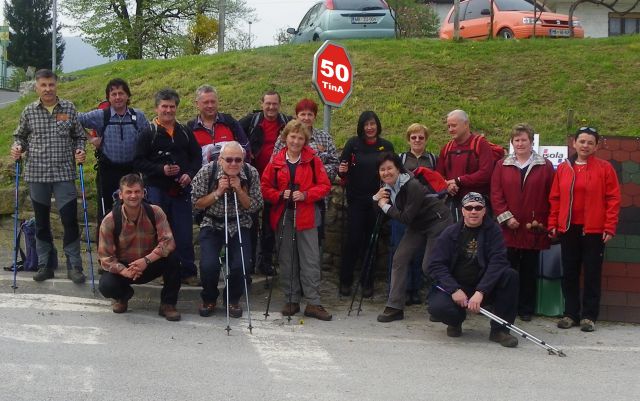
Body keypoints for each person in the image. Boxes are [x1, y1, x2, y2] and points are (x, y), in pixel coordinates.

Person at [10, 69, 87, 283]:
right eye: (43, 85)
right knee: (42, 222)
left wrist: (80, 150)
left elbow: (79, 137)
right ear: (37, 87)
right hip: (37, 173)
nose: (47, 89)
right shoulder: (29, 111)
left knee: (70, 220)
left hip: (63, 173)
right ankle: (44, 264)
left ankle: (74, 266)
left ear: (56, 85)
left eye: (51, 84)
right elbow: (20, 137)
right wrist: (17, 147)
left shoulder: (69, 108)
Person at [548, 127, 621, 332]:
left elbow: (613, 199)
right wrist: (553, 223)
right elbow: (555, 198)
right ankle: (570, 313)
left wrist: (609, 226)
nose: (585, 145)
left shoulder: (605, 168)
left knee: (592, 273)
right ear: (574, 143)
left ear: (596, 146)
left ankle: (589, 316)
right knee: (569, 272)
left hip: (594, 230)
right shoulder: (564, 168)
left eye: (590, 142)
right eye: (582, 141)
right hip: (568, 229)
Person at [261, 120, 333, 321]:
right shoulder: (276, 161)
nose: (295, 141)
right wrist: (279, 194)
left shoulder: (313, 160)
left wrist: (306, 195)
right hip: (283, 214)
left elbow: (325, 185)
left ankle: (313, 302)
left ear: (305, 141)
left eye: (300, 138)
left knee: (310, 259)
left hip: (307, 215)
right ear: (285, 138)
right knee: (287, 258)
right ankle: (291, 299)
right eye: (292, 136)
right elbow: (264, 187)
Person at [427, 192, 520, 348]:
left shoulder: (494, 232)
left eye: (478, 207)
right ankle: (455, 321)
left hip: (484, 287)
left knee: (510, 275)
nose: (473, 211)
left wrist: (481, 291)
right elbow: (436, 265)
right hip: (457, 287)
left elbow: (499, 262)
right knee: (437, 308)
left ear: (484, 210)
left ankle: (500, 330)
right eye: (469, 207)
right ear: (462, 211)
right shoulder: (449, 233)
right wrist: (453, 289)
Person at [133, 88, 202, 286]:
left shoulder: (185, 132)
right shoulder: (148, 133)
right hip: (157, 189)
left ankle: (188, 271)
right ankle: (164, 270)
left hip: (181, 190)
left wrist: (189, 174)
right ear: (157, 108)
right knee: (160, 233)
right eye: (164, 106)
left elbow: (197, 157)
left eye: (172, 106)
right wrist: (160, 169)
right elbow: (137, 161)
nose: (168, 110)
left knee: (184, 231)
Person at [374, 152, 451, 322]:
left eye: (389, 168)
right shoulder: (387, 185)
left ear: (398, 168)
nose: (386, 172)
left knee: (429, 266)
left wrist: (384, 206)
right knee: (399, 259)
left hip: (436, 221)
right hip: (417, 225)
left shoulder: (412, 185)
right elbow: (383, 208)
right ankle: (394, 307)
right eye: (382, 169)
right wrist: (377, 200)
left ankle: (446, 304)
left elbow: (405, 217)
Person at [491, 123, 555, 321]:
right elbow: (496, 193)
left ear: (531, 142)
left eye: (524, 140)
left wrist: (545, 223)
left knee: (529, 270)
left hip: (532, 228)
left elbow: (552, 195)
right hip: (508, 229)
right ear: (512, 142)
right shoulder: (502, 165)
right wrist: (506, 217)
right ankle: (505, 306)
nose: (520, 143)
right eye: (516, 140)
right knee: (506, 269)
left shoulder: (545, 165)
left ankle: (526, 309)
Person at [191, 141, 263, 318]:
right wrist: (218, 192)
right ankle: (209, 298)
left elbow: (255, 206)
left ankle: (232, 300)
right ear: (220, 159)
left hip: (239, 221)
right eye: (228, 160)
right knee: (209, 265)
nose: (233, 164)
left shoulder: (250, 173)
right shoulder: (207, 172)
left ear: (243, 160)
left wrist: (239, 189)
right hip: (212, 221)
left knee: (242, 264)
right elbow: (195, 203)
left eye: (238, 160)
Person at [97, 174, 181, 321]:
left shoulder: (155, 212)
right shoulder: (109, 220)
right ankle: (122, 297)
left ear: (143, 193)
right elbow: (105, 257)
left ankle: (168, 304)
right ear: (120, 195)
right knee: (106, 285)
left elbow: (168, 242)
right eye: (129, 192)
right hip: (125, 267)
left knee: (173, 259)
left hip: (149, 263)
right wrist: (123, 271)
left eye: (137, 191)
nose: (133, 196)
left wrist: (146, 261)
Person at [338, 111, 394, 297]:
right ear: (361, 127)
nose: (370, 128)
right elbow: (342, 171)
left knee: (372, 242)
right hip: (356, 200)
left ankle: (367, 282)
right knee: (353, 239)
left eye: (373, 124)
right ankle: (345, 280)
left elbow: (392, 172)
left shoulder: (386, 146)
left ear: (377, 125)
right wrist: (342, 171)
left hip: (377, 201)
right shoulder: (353, 144)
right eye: (366, 125)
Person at [78, 78, 150, 222]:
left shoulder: (138, 116)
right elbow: (70, 118)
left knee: (133, 212)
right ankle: (104, 243)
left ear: (127, 96)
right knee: (106, 214)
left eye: (121, 93)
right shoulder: (101, 116)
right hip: (107, 171)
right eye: (114, 94)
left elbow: (149, 137)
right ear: (108, 97)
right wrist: (90, 138)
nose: (118, 97)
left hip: (132, 171)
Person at [239, 90, 292, 276]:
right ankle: (250, 260)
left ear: (280, 104)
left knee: (270, 223)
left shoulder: (287, 123)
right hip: (253, 179)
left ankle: (266, 261)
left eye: (274, 104)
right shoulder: (251, 121)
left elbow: (302, 135)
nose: (271, 107)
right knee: (251, 223)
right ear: (262, 103)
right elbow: (234, 136)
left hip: (276, 182)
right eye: (268, 103)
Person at [389, 123, 439, 305]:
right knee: (400, 249)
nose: (417, 140)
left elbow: (438, 182)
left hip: (423, 211)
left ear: (426, 139)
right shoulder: (401, 158)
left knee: (418, 251)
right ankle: (400, 290)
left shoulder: (433, 159)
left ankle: (414, 289)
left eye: (421, 137)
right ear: (408, 139)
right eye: (413, 137)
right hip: (403, 209)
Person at [436, 109, 495, 220]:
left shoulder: (481, 144)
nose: (450, 130)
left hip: (477, 205)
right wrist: (447, 185)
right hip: (453, 203)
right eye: (448, 126)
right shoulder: (446, 148)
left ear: (466, 124)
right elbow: (439, 175)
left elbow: (486, 173)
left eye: (453, 126)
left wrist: (458, 180)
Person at [186, 85, 250, 164]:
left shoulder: (229, 122)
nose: (210, 105)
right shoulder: (190, 128)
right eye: (206, 102)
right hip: (203, 175)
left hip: (232, 173)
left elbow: (245, 148)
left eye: (213, 102)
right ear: (197, 104)